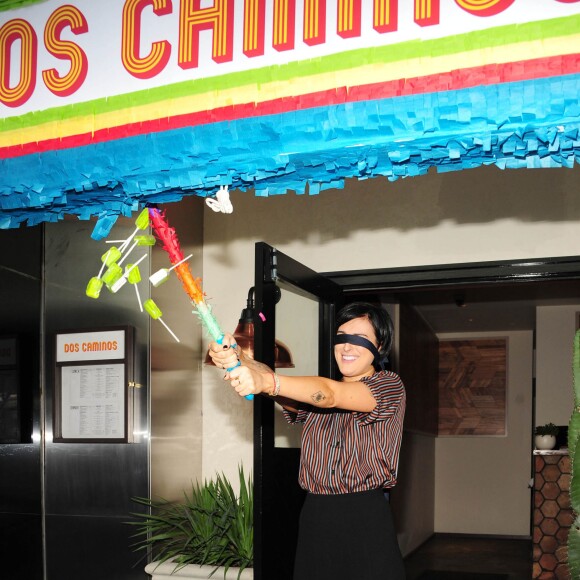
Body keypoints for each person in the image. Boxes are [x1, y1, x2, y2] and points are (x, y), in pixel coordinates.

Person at [207, 301, 406, 580]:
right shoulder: (314, 393)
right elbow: (283, 383)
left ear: (381, 346)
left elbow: (329, 394)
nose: (347, 347)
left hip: (363, 515)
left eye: (360, 339)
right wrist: (238, 356)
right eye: (341, 338)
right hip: (315, 513)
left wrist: (266, 384)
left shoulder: (388, 386)